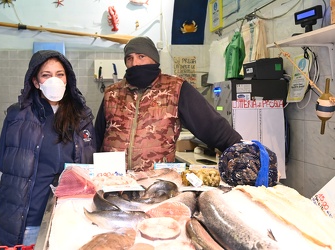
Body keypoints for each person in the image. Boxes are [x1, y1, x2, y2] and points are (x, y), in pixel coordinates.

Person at [0, 50, 96, 246]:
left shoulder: (82, 117)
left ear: (68, 79)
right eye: (46, 75)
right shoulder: (18, 115)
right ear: (35, 81)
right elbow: (3, 161)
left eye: (60, 74)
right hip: (28, 218)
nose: (54, 80)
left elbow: (90, 163)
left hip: (70, 217)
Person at [95, 36, 242, 172]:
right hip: (114, 181)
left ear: (154, 59)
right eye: (129, 58)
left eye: (141, 56)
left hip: (157, 182)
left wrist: (241, 147)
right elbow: (96, 137)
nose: (135, 63)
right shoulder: (112, 93)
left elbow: (210, 125)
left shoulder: (176, 88)